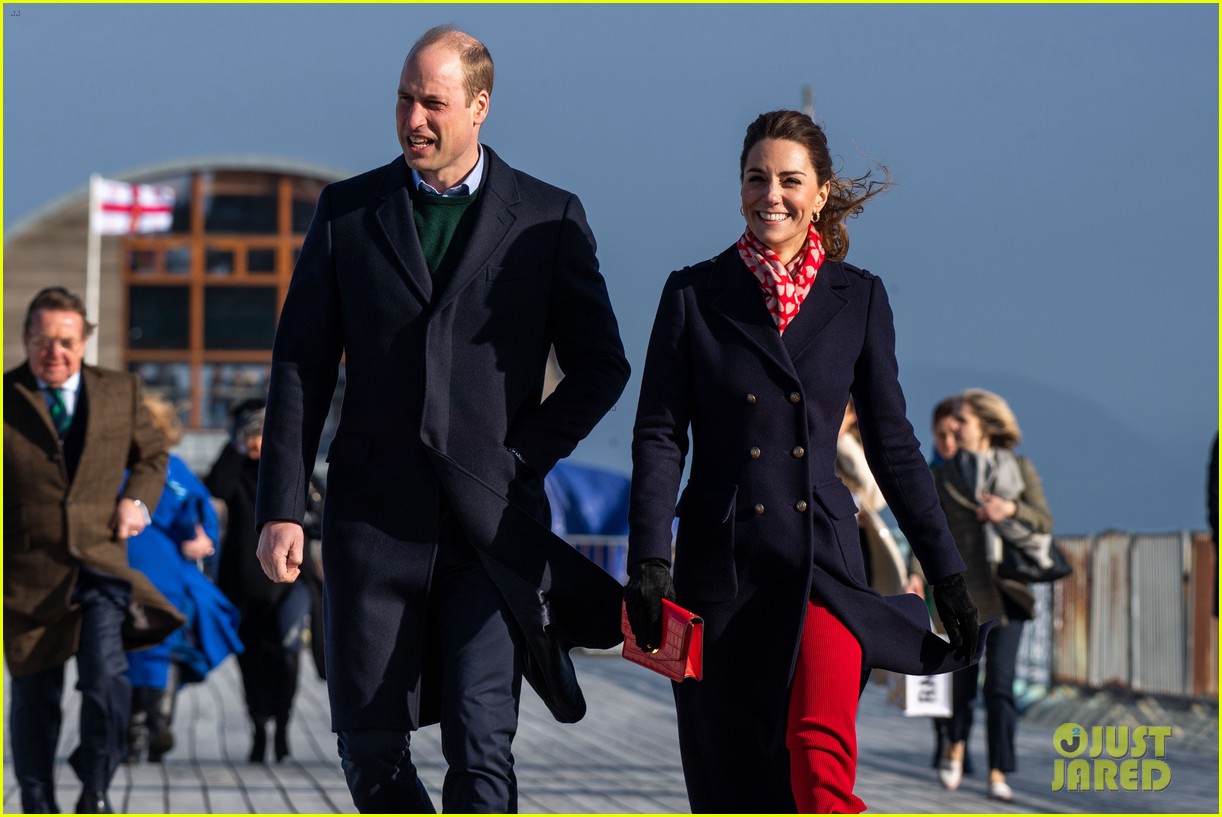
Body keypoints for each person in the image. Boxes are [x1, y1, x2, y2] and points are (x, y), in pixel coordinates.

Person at [253, 25, 630, 813]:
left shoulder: (548, 218)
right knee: (369, 748)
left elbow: (602, 365)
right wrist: (282, 508)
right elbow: (301, 366)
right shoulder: (347, 212)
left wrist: (522, 457)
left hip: (490, 534)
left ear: (480, 106)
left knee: (480, 744)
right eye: (403, 98)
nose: (413, 118)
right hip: (370, 524)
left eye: (433, 101)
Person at [624, 110, 985, 813]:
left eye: (790, 181)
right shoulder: (693, 295)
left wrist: (948, 574)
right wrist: (649, 560)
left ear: (820, 193)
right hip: (719, 576)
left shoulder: (860, 299)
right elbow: (660, 435)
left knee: (821, 773)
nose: (772, 196)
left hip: (824, 570)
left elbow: (894, 445)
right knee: (734, 791)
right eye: (756, 179)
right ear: (739, 190)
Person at [4, 286, 183, 813]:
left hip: (102, 567)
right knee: (36, 699)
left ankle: (97, 788)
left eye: (65, 341)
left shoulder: (118, 391)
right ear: (25, 339)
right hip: (27, 575)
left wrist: (136, 501)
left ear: (84, 342)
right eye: (41, 341)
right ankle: (37, 798)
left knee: (107, 682)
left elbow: (152, 457)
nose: (53, 352)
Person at [931, 388, 1051, 802]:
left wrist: (1010, 510)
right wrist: (916, 576)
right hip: (963, 593)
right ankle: (956, 746)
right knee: (963, 682)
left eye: (962, 420)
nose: (952, 426)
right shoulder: (943, 474)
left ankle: (999, 770)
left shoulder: (1019, 469)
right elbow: (929, 534)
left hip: (1008, 591)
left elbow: (1044, 520)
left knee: (1000, 685)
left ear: (984, 425)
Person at [124, 395, 243, 764]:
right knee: (153, 644)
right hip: (139, 570)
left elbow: (202, 517)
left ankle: (144, 726)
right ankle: (148, 725)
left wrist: (203, 540)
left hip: (160, 572)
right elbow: (201, 517)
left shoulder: (170, 469)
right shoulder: (132, 467)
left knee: (153, 643)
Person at [206, 399, 312, 764]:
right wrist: (237, 448)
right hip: (244, 587)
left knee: (287, 653)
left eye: (262, 432)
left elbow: (319, 510)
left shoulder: (291, 470)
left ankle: (282, 726)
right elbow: (216, 488)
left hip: (290, 586)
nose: (257, 440)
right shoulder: (235, 471)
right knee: (251, 662)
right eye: (249, 433)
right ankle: (258, 728)